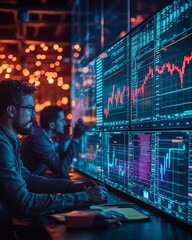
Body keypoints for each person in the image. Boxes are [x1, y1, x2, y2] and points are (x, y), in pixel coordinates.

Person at [0, 80, 108, 235]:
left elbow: (27, 178)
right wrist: (84, 197)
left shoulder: (10, 140)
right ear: (11, 111)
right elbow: (24, 204)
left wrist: (73, 187)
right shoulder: (3, 144)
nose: (33, 116)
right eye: (30, 109)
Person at [20, 105, 85, 178]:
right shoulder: (38, 139)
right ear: (51, 125)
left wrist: (63, 139)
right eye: (62, 120)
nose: (65, 123)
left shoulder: (40, 134)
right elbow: (61, 170)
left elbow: (59, 162)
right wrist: (75, 139)